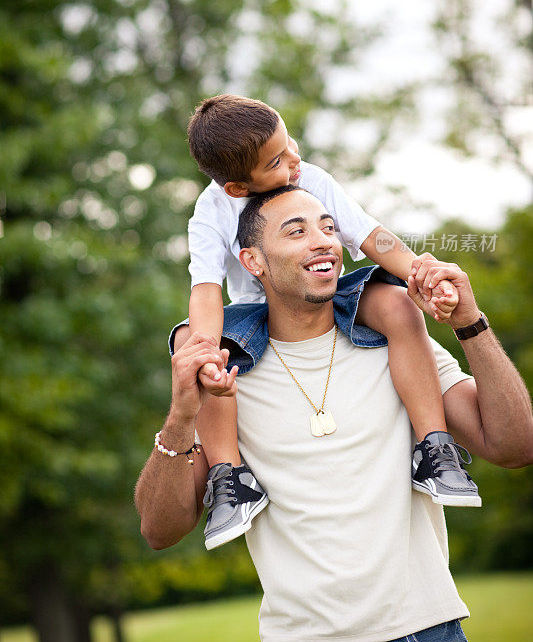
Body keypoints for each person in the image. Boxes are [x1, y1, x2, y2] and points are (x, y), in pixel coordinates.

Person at [135, 186, 533, 642]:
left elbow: (516, 446)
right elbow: (160, 531)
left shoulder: (402, 347)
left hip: (428, 629)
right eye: (297, 231)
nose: (323, 240)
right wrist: (180, 419)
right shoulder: (226, 373)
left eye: (328, 227)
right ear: (253, 263)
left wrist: (470, 322)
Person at [182, 94, 478, 550]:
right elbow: (205, 288)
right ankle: (231, 478)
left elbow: (371, 236)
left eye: (290, 143)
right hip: (258, 315)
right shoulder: (212, 211)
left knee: (399, 305)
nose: (295, 160)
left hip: (330, 290)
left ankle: (433, 446)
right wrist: (204, 351)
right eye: (278, 160)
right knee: (196, 342)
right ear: (239, 188)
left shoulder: (311, 179)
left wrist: (421, 271)